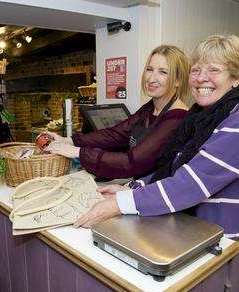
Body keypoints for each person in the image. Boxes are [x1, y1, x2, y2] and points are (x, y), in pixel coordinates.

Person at [74, 35, 239, 240]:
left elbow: (189, 183)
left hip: (222, 242)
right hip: (192, 229)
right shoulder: (199, 117)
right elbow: (173, 167)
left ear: (236, 78)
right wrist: (132, 188)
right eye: (196, 70)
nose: (201, 77)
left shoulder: (234, 121)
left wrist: (121, 203)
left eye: (214, 69)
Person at [43, 45, 190, 180]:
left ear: (178, 80)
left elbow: (130, 163)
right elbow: (116, 134)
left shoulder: (177, 117)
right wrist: (69, 140)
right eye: (150, 69)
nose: (151, 78)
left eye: (163, 72)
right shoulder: (151, 107)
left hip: (157, 196)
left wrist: (77, 152)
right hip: (138, 186)